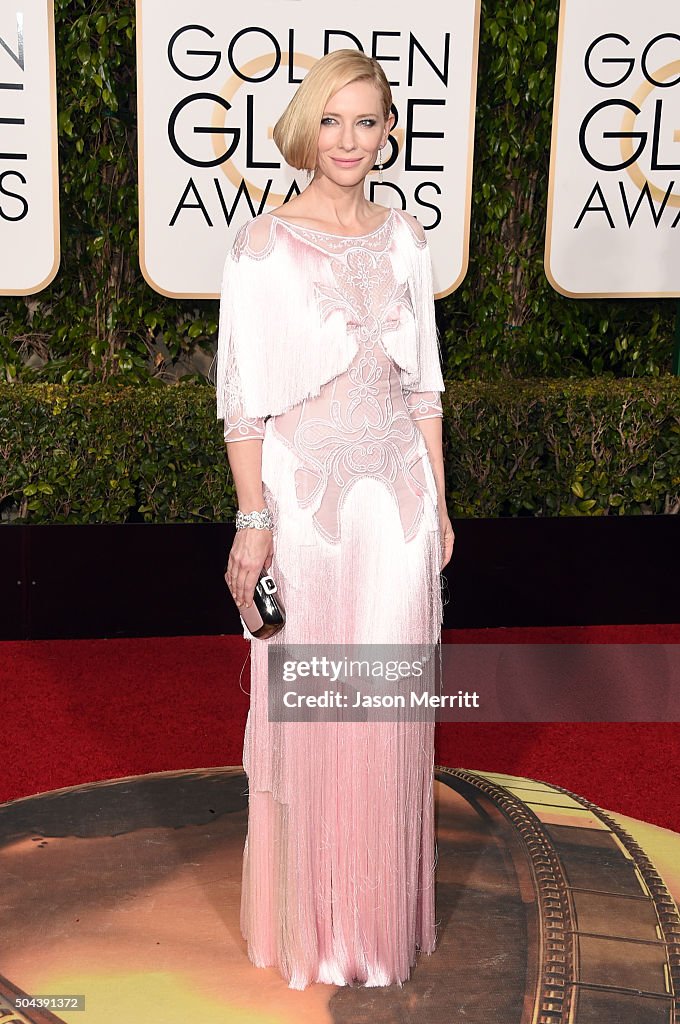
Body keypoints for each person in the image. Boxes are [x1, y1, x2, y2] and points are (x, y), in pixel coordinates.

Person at [215, 49, 454, 990]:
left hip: (394, 507)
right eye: (334, 120)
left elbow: (425, 386)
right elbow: (244, 406)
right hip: (306, 510)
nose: (350, 140)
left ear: (391, 129)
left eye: (369, 121)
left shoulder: (406, 238)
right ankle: (314, 925)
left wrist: (440, 506)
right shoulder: (263, 244)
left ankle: (376, 922)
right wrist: (252, 521)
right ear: (307, 129)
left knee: (387, 716)